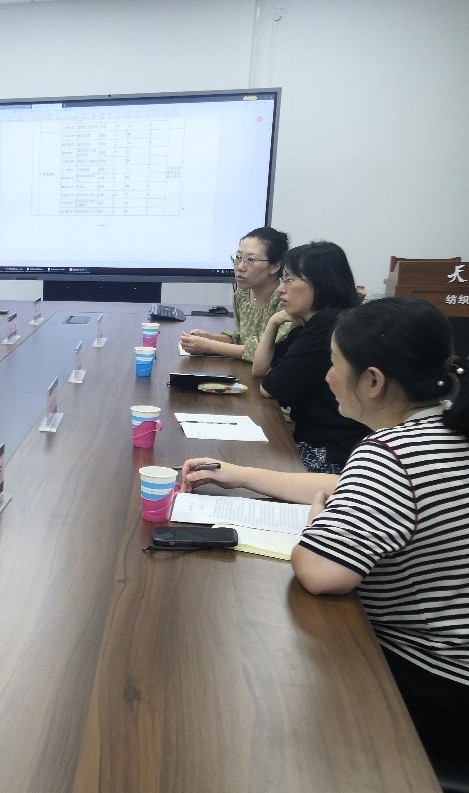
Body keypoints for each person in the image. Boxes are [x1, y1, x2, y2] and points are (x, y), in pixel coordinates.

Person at [181, 297, 469, 767]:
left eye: (334, 364)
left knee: (256, 688)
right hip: (457, 666)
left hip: (436, 681)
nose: (327, 375)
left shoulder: (391, 454)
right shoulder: (443, 425)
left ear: (372, 380)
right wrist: (240, 474)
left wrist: (318, 527)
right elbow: (344, 486)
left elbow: (320, 572)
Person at [252, 241, 368, 472]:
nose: (280, 289)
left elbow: (270, 387)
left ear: (321, 283)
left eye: (289, 279)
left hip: (331, 452)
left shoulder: (329, 324)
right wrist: (273, 323)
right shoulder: (314, 322)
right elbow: (260, 369)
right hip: (315, 441)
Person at [180, 226, 291, 360]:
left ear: (275, 266)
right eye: (238, 258)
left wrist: (209, 346)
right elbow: (244, 338)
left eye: (251, 260)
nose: (240, 267)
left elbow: (266, 351)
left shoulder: (286, 300)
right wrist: (210, 338)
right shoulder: (242, 295)